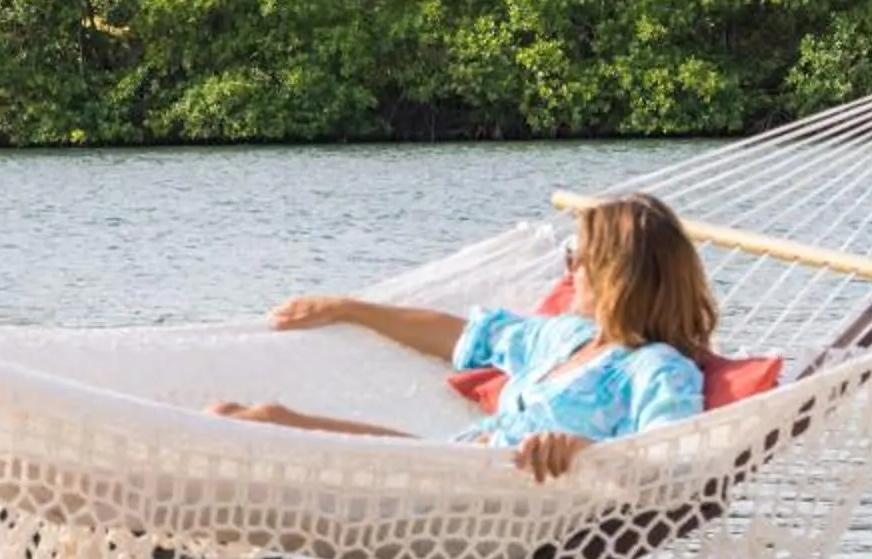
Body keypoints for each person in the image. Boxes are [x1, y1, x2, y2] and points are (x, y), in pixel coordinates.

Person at [210, 193, 714, 483]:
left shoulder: (658, 368)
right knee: (239, 418)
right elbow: (461, 338)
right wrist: (350, 308)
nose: (571, 268)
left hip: (485, 495)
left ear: (617, 275)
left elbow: (672, 461)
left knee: (260, 427)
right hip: (451, 465)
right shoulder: (566, 339)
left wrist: (585, 451)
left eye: (579, 259)